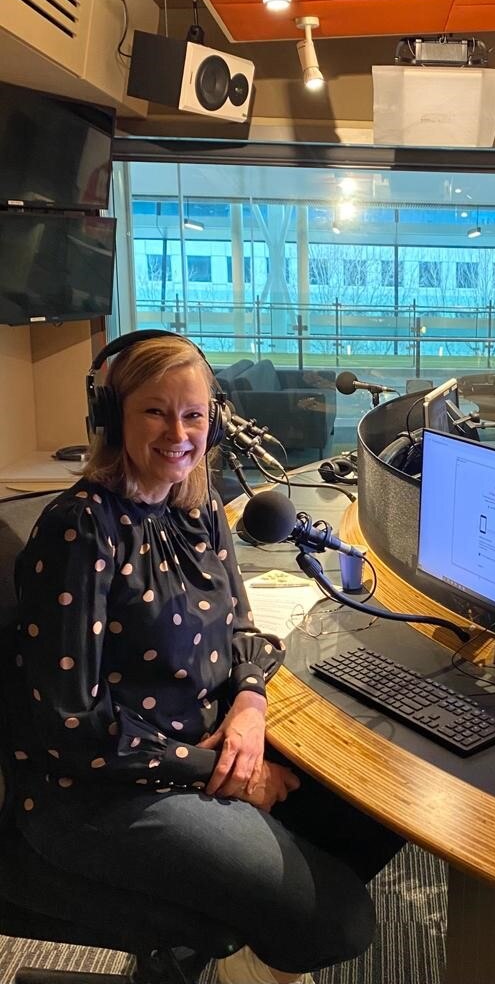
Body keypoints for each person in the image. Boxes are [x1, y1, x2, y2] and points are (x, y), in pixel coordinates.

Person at [7, 331, 404, 984]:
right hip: (95, 796)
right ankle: (229, 932)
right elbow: (71, 727)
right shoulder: (82, 529)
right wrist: (222, 770)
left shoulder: (200, 510)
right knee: (340, 922)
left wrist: (248, 703)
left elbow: (241, 629)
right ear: (112, 419)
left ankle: (225, 927)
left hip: (199, 751)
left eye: (193, 415)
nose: (178, 433)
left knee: (375, 806)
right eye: (154, 412)